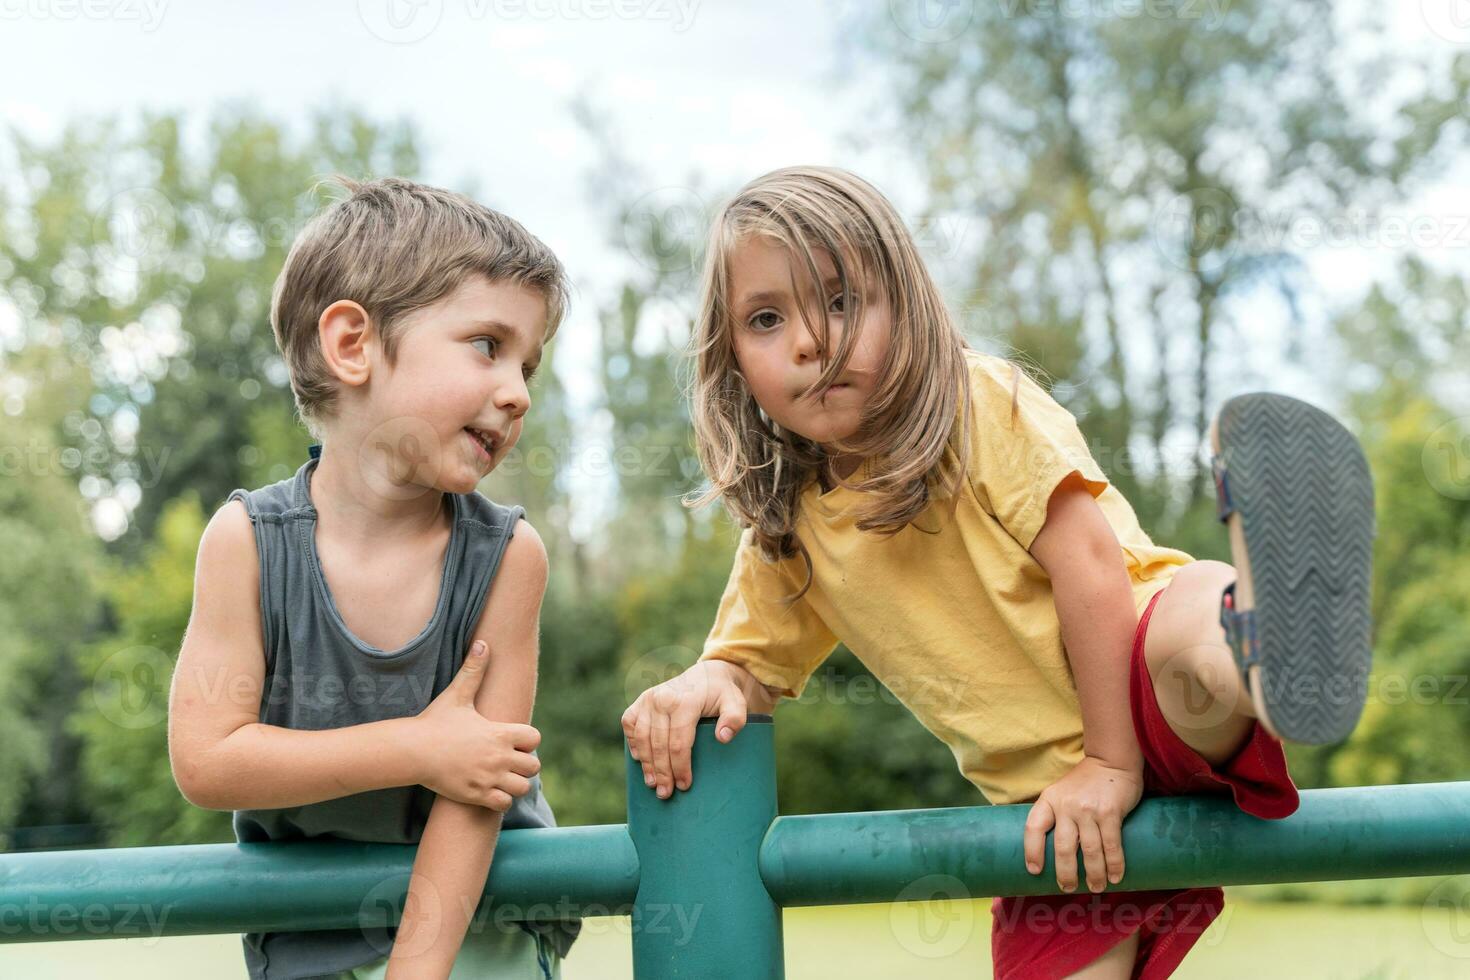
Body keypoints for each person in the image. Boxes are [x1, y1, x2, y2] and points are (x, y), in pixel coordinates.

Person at [621, 166, 1375, 979]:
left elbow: (1091, 562)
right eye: (766, 319)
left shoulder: (973, 403)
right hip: (1055, 810)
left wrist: (1112, 763)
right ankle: (1250, 634)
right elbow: (750, 668)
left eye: (840, 301)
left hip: (1141, 688)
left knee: (1188, 623)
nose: (810, 341)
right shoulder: (789, 519)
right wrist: (706, 680)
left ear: (905, 305)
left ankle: (1265, 629)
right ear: (730, 359)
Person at [168, 176, 579, 979]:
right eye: (488, 346)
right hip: (305, 942)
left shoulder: (507, 558)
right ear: (353, 344)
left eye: (530, 363)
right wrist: (419, 747)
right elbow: (207, 760)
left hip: (474, 937)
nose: (519, 392)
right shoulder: (246, 543)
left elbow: (475, 796)